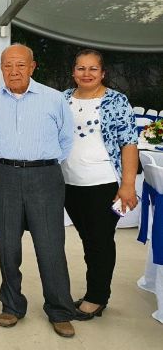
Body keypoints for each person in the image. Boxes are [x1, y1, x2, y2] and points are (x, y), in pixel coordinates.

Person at [0, 43, 77, 338]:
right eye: (8, 65)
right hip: (5, 176)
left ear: (33, 67)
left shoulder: (53, 99)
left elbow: (66, 139)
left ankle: (60, 310)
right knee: (7, 246)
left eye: (20, 65)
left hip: (45, 177)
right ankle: (11, 305)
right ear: (1, 69)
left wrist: (42, 163)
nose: (14, 71)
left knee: (50, 246)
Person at [61, 48, 138, 318]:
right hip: (69, 184)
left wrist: (127, 185)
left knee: (100, 241)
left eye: (93, 69)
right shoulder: (63, 100)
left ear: (103, 73)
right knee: (88, 239)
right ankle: (95, 290)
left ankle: (97, 297)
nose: (87, 74)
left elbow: (129, 143)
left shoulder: (116, 101)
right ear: (73, 72)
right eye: (81, 68)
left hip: (104, 185)